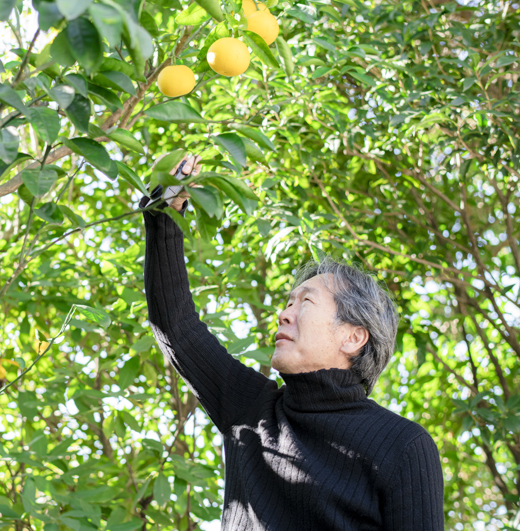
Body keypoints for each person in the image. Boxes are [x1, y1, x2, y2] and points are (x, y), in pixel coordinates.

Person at [139, 154, 444, 530]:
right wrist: (165, 211)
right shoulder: (249, 408)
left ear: (353, 336)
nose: (284, 315)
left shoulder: (402, 445)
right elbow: (176, 327)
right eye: (287, 303)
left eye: (306, 303)